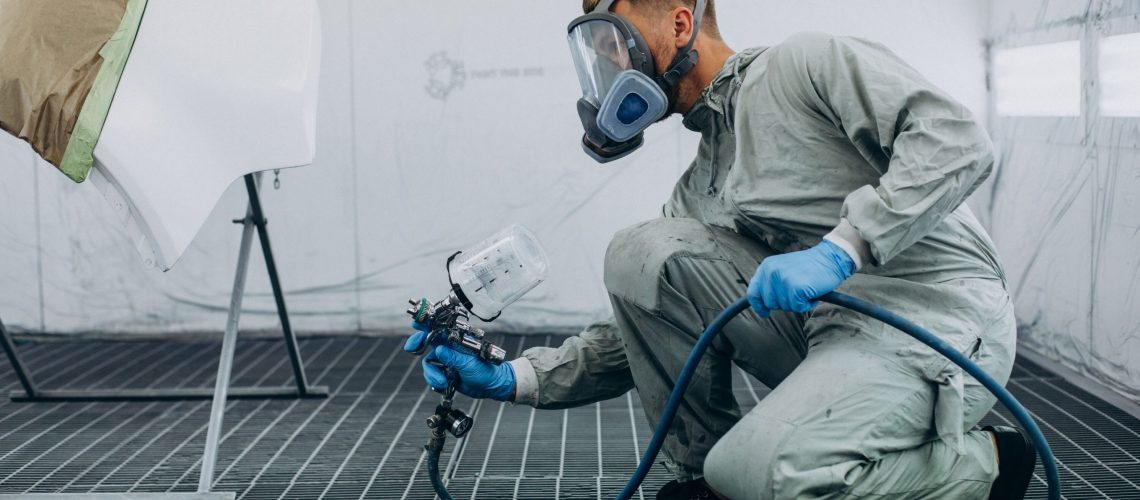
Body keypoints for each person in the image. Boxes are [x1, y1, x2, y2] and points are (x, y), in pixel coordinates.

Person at [405, 1, 1039, 498]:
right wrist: (514, 376)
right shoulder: (703, 181)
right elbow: (636, 326)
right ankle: (708, 479)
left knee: (769, 475)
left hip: (934, 323)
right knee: (641, 253)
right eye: (595, 61)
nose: (605, 78)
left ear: (680, 24)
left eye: (613, 48)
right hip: (828, 336)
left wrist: (845, 247)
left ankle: (981, 466)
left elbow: (956, 140)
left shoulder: (805, 64)